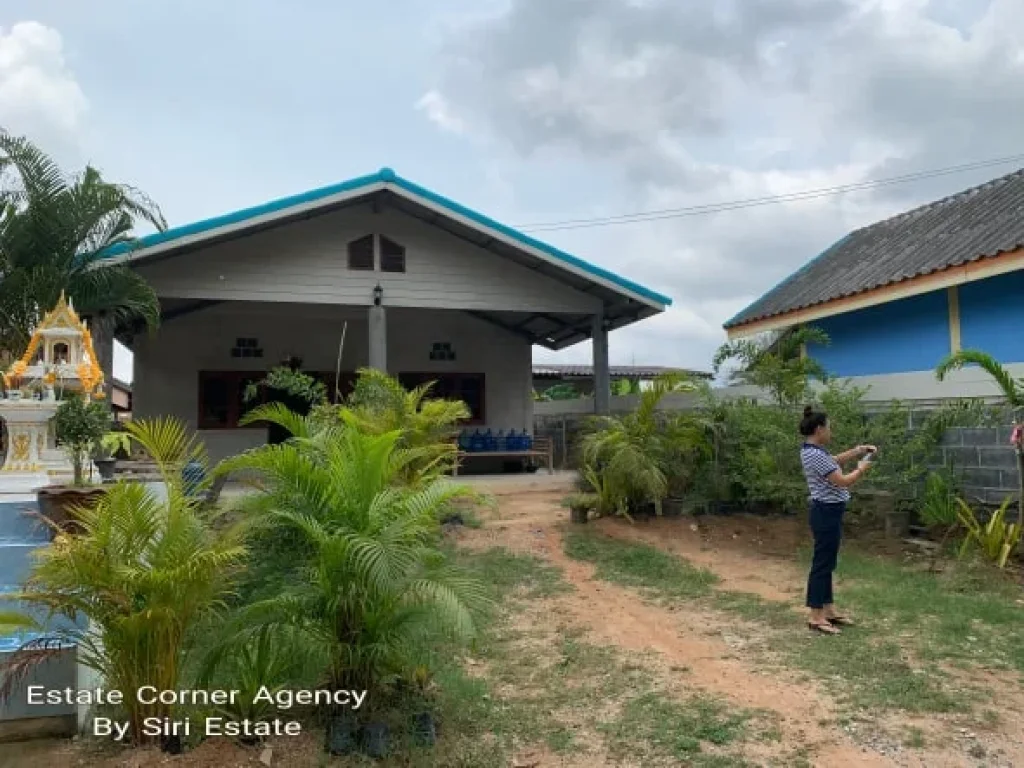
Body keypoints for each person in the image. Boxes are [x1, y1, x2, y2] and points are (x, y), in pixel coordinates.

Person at [799, 406, 875, 635]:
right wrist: (861, 469)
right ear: (820, 429)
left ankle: (829, 611)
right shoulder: (814, 454)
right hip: (825, 512)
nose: (830, 431)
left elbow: (834, 460)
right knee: (822, 564)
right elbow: (842, 481)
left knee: (827, 563)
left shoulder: (813, 450)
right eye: (829, 427)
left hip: (827, 511)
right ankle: (816, 616)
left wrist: (857, 451)